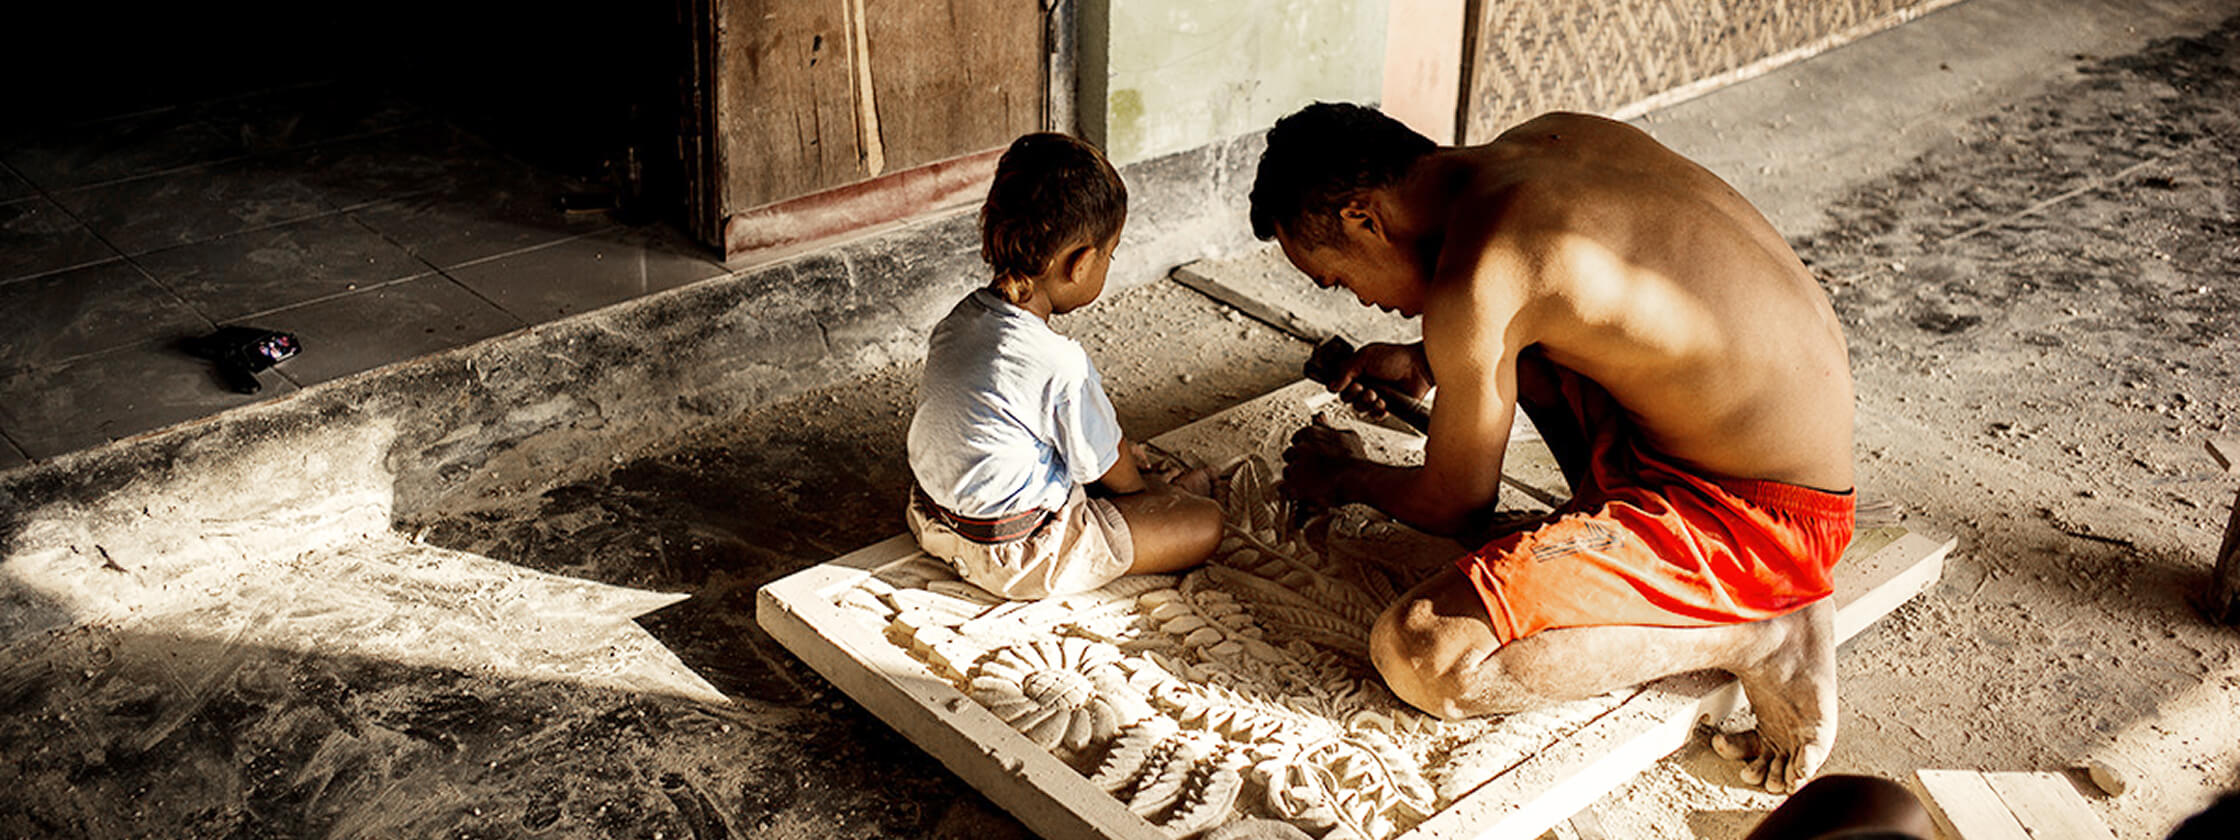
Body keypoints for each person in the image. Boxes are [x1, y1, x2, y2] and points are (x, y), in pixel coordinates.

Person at [1252, 103, 1857, 793]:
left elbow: (1454, 503)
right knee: (1530, 345)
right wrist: (1430, 360)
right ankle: (1690, 579)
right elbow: (1596, 297)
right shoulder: (1548, 141)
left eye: (1337, 278)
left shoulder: (1483, 272)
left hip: (1758, 522)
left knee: (1425, 653)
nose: (1360, 300)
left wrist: (1343, 476)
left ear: (1364, 217)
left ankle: (1763, 635)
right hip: (1789, 453)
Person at [905, 132, 1224, 600]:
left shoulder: (960, 320)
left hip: (933, 522)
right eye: (1110, 254)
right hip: (1016, 555)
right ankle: (1165, 500)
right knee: (1204, 522)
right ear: (1080, 263)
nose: (1108, 264)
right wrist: (1149, 493)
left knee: (1087, 449)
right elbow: (1114, 475)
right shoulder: (1060, 363)